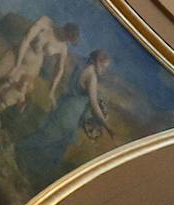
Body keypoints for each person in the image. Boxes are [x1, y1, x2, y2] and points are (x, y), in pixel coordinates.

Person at [17, 49, 114, 187]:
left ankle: (25, 167)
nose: (104, 71)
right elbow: (93, 103)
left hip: (64, 106)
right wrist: (106, 125)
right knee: (54, 144)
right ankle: (23, 159)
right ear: (98, 61)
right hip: (72, 115)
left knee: (46, 136)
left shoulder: (80, 66)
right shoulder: (92, 77)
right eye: (104, 67)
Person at [0, 19, 79, 110]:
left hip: (32, 69)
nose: (66, 42)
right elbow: (26, 40)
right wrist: (17, 65)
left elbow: (59, 70)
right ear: (64, 30)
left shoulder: (63, 47)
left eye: (68, 41)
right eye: (67, 38)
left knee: (11, 93)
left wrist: (52, 91)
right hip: (17, 55)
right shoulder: (46, 23)